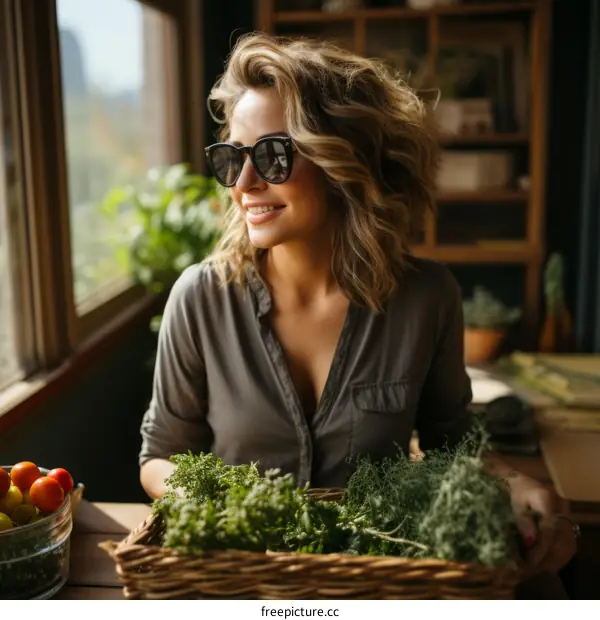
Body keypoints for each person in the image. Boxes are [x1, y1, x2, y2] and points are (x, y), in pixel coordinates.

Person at [138, 33, 577, 578]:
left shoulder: (427, 298)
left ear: (343, 161)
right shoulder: (199, 298)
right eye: (233, 158)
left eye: (274, 155)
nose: (245, 183)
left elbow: (450, 443)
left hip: (375, 579)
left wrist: (518, 485)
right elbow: (161, 456)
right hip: (241, 580)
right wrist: (221, 507)